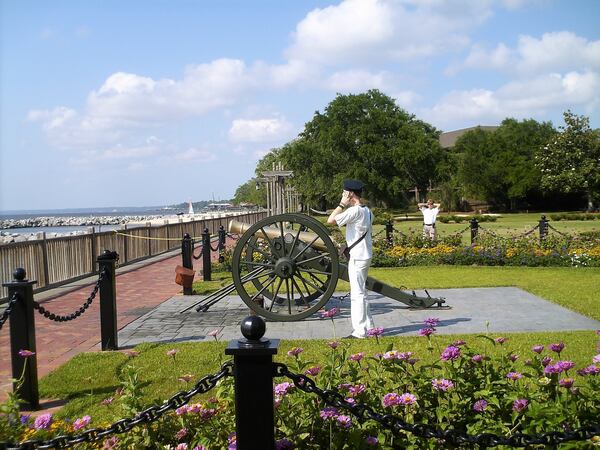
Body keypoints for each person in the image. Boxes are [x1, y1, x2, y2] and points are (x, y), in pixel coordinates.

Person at [327, 179, 374, 339]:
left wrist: (341, 204)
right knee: (363, 292)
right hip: (364, 254)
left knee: (357, 294)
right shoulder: (367, 210)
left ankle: (360, 331)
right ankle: (369, 327)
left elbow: (331, 220)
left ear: (350, 193)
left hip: (358, 256)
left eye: (344, 192)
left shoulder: (355, 211)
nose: (342, 194)